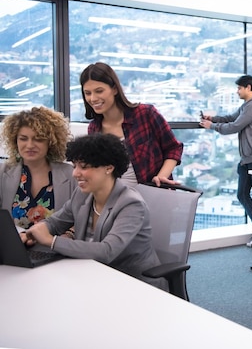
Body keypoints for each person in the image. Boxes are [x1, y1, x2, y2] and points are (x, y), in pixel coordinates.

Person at [25, 133, 166, 289]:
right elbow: (55, 222)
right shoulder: (82, 194)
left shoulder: (131, 204)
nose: (75, 173)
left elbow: (107, 251)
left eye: (84, 167)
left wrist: (51, 241)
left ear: (109, 168)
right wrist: (33, 232)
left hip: (133, 285)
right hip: (93, 277)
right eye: (75, 166)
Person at [80, 62, 183, 187]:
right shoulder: (94, 129)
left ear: (115, 89)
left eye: (99, 91)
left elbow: (173, 148)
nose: (93, 98)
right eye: (88, 93)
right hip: (115, 201)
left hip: (152, 195)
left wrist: (161, 177)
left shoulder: (145, 114)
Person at [199, 75, 252, 249]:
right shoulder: (247, 106)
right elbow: (231, 118)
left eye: (239, 88)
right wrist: (213, 118)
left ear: (248, 88)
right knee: (243, 194)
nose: (237, 91)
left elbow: (234, 127)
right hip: (249, 156)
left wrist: (212, 127)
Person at [0, 107, 76, 229]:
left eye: (38, 139)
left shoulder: (71, 174)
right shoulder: (3, 172)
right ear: (15, 141)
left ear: (51, 142)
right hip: (11, 246)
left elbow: (82, 220)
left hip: (55, 246)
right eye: (23, 139)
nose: (30, 145)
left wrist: (68, 235)